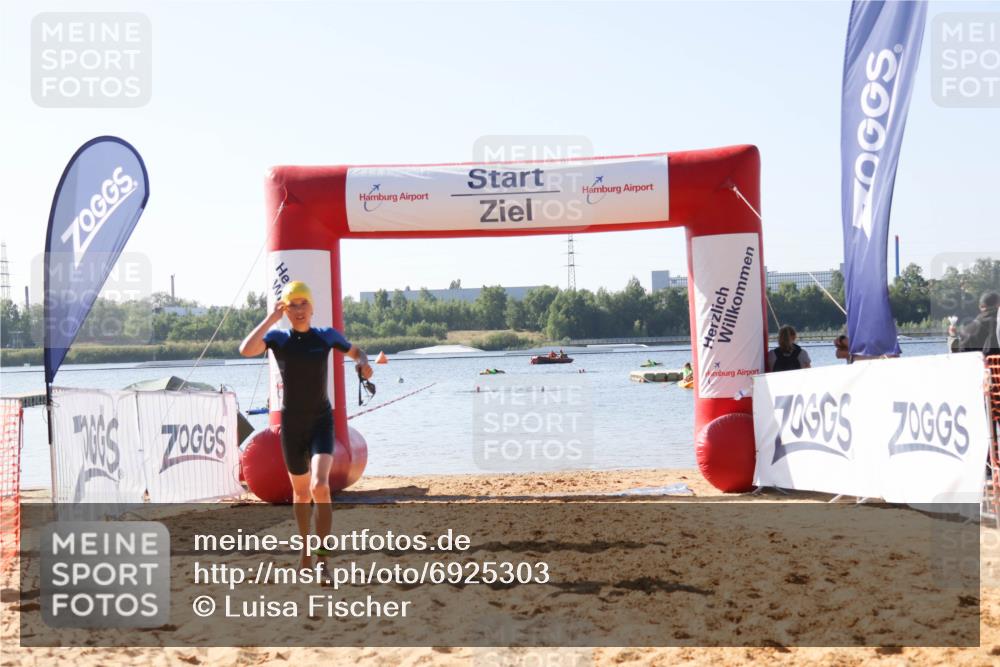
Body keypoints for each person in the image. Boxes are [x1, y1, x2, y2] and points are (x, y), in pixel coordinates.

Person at [239, 281, 372, 571]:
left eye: (303, 304)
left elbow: (356, 352)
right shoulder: (279, 338)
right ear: (286, 310)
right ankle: (305, 549)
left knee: (319, 486)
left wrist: (364, 363)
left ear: (312, 307)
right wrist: (271, 318)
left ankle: (323, 556)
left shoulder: (326, 336)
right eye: (292, 305)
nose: (299, 310)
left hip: (321, 421)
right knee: (300, 494)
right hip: (292, 424)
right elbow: (246, 349)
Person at [955, 291, 1000, 356]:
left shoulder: (967, 330)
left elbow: (960, 356)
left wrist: (952, 337)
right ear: (998, 305)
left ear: (980, 306)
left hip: (980, 365)